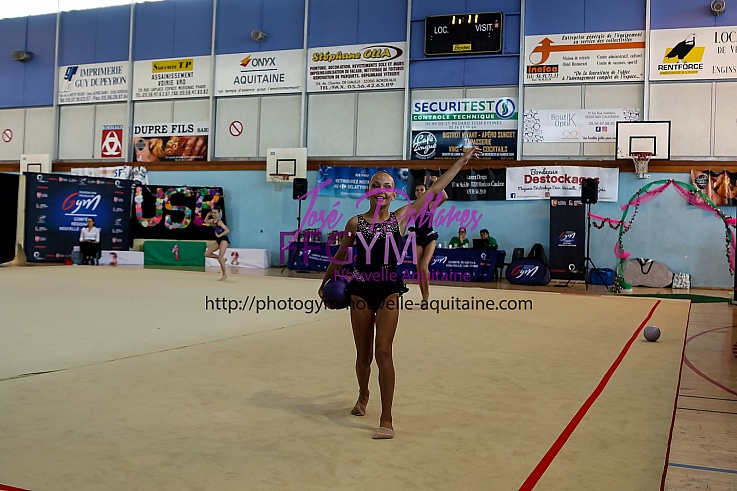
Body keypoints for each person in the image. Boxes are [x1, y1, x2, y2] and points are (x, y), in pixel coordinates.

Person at [318, 146, 482, 440]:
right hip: (360, 289)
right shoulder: (355, 223)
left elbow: (435, 190)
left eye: (387, 186)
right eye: (376, 185)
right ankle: (363, 394)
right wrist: (324, 283)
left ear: (394, 194)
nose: (381, 190)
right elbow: (341, 256)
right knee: (363, 356)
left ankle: (387, 417)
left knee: (383, 351)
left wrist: (461, 161)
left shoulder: (401, 218)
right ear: (368, 191)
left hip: (389, 288)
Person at [412, 176, 446, 301]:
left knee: (423, 266)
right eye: (417, 190)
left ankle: (426, 296)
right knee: (418, 270)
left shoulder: (430, 205)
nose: (419, 192)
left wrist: (436, 182)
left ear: (426, 191)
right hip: (418, 238)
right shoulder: (413, 207)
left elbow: (444, 197)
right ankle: (423, 296)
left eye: (422, 190)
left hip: (429, 237)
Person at [204, 207, 230, 280]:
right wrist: (208, 215)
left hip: (223, 240)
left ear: (218, 213)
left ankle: (224, 275)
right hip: (218, 241)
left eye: (215, 213)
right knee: (207, 254)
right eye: (212, 212)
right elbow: (206, 221)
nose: (213, 214)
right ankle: (221, 258)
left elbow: (227, 230)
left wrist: (219, 235)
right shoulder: (213, 221)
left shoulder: (219, 222)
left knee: (220, 259)